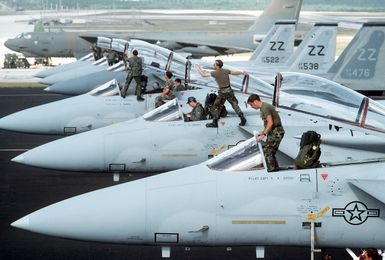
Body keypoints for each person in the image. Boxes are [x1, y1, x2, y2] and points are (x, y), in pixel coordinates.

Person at [195, 59, 247, 128]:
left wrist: (198, 67)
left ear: (217, 65)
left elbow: (203, 75)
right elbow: (234, 72)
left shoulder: (215, 73)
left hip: (222, 92)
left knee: (216, 106)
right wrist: (242, 72)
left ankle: (214, 122)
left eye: (214, 64)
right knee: (234, 105)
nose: (213, 65)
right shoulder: (225, 71)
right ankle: (242, 118)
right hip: (229, 91)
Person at [247, 94, 285, 172]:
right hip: (273, 132)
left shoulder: (265, 108)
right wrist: (262, 133)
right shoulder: (263, 107)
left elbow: (270, 123)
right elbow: (267, 124)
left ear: (255, 102)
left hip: (276, 132)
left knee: (267, 151)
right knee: (269, 151)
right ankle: (274, 168)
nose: (252, 107)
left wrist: (263, 135)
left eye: (251, 105)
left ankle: (271, 170)